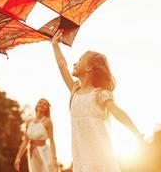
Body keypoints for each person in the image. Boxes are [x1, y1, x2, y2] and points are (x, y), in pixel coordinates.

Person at [51, 30, 145, 172]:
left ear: (89, 67)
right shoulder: (75, 89)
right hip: (81, 159)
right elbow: (61, 65)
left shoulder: (100, 94)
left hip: (101, 159)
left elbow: (118, 113)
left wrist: (137, 134)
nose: (75, 62)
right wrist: (55, 45)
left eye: (81, 59)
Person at [14, 98, 59, 172]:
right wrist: (18, 157)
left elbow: (52, 141)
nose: (41, 104)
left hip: (44, 152)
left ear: (47, 109)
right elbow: (25, 141)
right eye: (40, 102)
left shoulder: (47, 121)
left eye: (44, 104)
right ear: (36, 105)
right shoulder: (29, 122)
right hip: (32, 153)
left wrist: (54, 159)